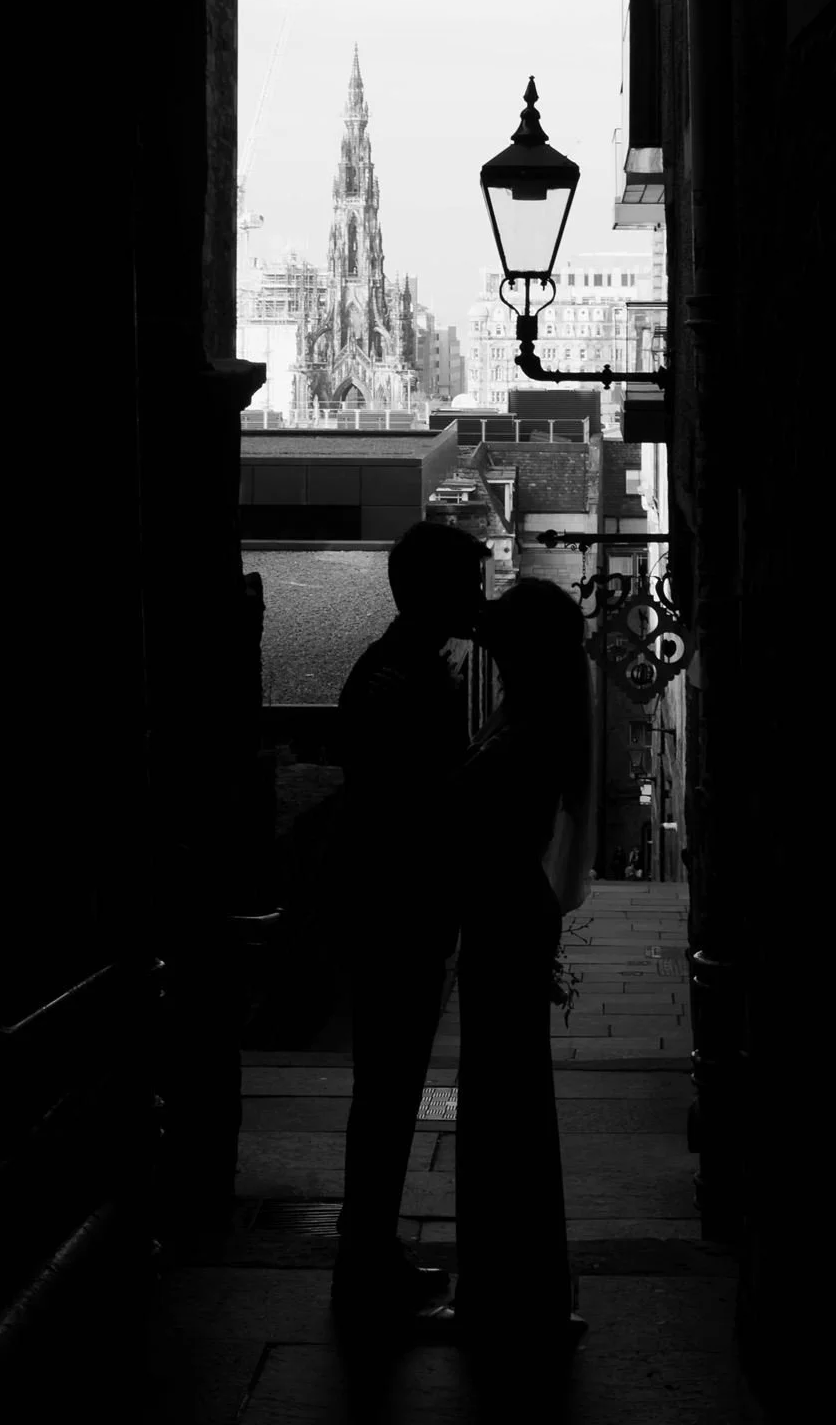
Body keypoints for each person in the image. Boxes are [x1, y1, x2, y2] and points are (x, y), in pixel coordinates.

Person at [427, 578, 596, 1352]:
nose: (488, 656)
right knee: (506, 1100)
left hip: (502, 914)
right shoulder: (538, 714)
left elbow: (473, 814)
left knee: (502, 1102)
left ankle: (507, 1292)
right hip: (507, 912)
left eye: (499, 645)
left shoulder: (525, 727)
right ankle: (516, 1286)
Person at [330, 520, 491, 1323]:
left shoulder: (402, 666)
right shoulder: (401, 677)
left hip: (399, 910)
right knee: (389, 1089)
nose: (479, 596)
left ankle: (371, 1252)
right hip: (397, 914)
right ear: (430, 590)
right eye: (468, 581)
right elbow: (412, 806)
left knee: (391, 1091)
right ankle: (364, 1261)